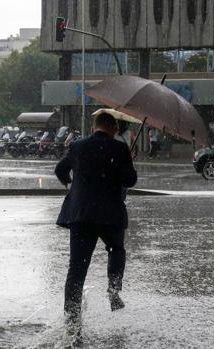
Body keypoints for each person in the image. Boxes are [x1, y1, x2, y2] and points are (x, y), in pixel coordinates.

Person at [54, 113, 137, 340]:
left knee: (76, 271)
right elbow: (130, 180)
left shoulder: (78, 146)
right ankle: (113, 290)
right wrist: (128, 159)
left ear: (95, 126)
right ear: (113, 127)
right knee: (116, 250)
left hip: (81, 215)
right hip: (110, 215)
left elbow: (60, 170)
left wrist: (75, 184)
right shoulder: (120, 149)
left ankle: (72, 323)